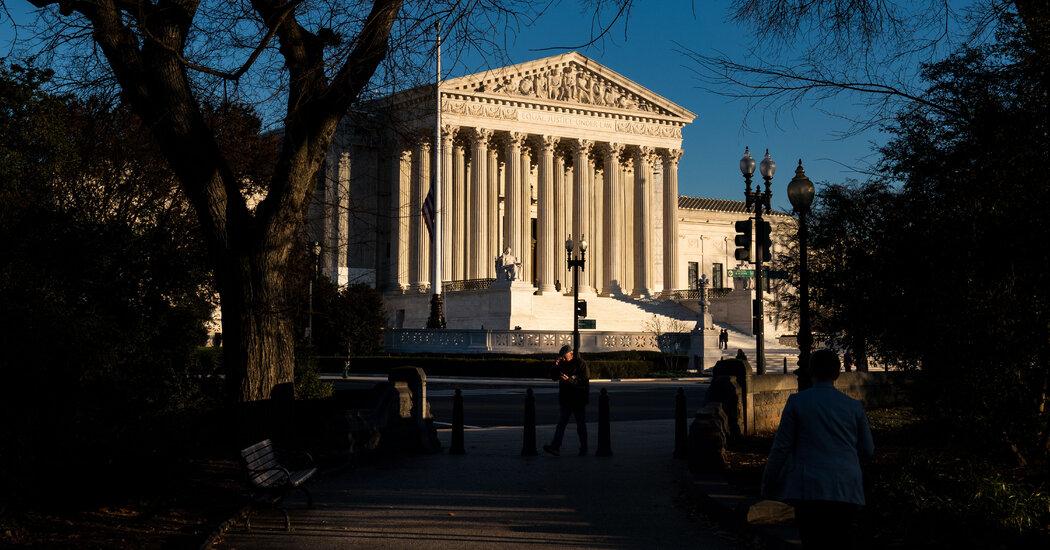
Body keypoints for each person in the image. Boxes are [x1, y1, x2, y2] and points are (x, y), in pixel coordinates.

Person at [761, 349, 875, 549]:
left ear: (810, 371)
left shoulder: (797, 402)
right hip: (846, 486)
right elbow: (868, 450)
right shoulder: (853, 406)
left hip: (809, 486)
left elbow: (781, 448)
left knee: (812, 540)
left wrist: (769, 482)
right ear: (837, 373)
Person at [543, 345, 590, 456]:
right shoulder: (562, 363)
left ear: (571, 354)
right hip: (565, 398)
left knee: (580, 425)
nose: (563, 359)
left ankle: (584, 448)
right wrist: (555, 366)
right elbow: (554, 377)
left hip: (578, 399)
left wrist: (569, 380)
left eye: (565, 357)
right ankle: (555, 447)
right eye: (562, 357)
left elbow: (584, 382)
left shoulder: (581, 364)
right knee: (561, 424)